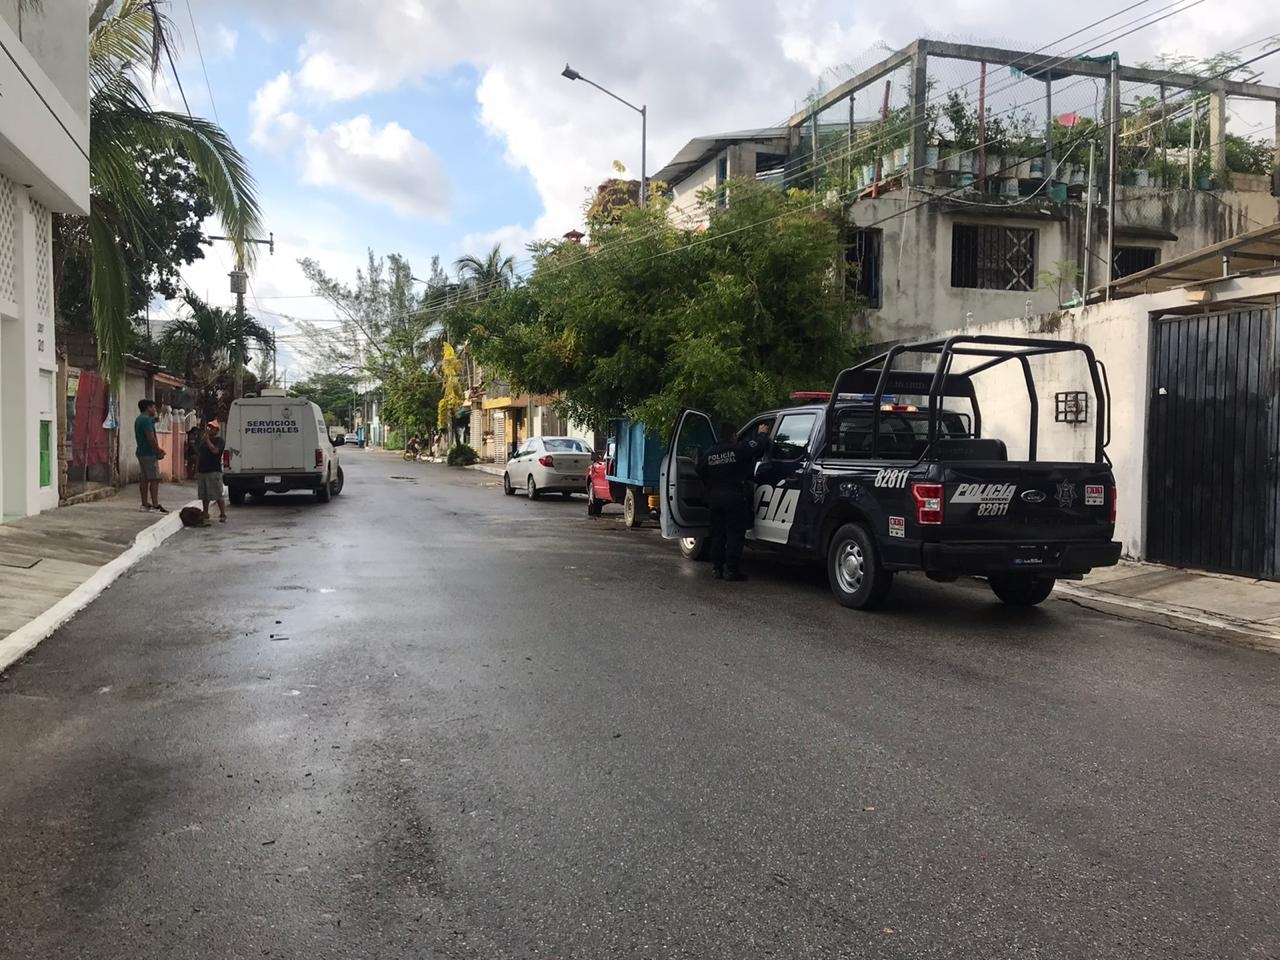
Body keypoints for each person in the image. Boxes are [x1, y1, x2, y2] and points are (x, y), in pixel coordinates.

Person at [697, 421, 770, 581]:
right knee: (735, 535)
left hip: (715, 498)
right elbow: (758, 446)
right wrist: (763, 433)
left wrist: (711, 485)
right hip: (734, 497)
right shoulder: (738, 448)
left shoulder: (710, 453)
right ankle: (732, 571)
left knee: (717, 535)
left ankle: (717, 569)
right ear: (733, 436)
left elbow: (699, 470)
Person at [134, 398, 167, 513]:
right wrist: (158, 450)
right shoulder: (146, 421)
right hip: (149, 453)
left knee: (144, 479)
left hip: (141, 452)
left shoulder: (139, 419)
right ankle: (155, 505)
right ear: (148, 408)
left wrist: (156, 418)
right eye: (153, 407)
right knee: (154, 479)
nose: (155, 409)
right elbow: (150, 438)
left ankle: (144, 504)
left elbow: (153, 422)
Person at [196, 421, 227, 525]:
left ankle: (222, 514)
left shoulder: (220, 441)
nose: (210, 429)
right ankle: (205, 512)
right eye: (209, 427)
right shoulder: (203, 441)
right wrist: (197, 469)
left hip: (214, 471)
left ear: (217, 430)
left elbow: (215, 451)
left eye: (213, 428)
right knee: (204, 495)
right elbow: (200, 454)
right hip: (203, 471)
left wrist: (208, 441)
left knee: (217, 494)